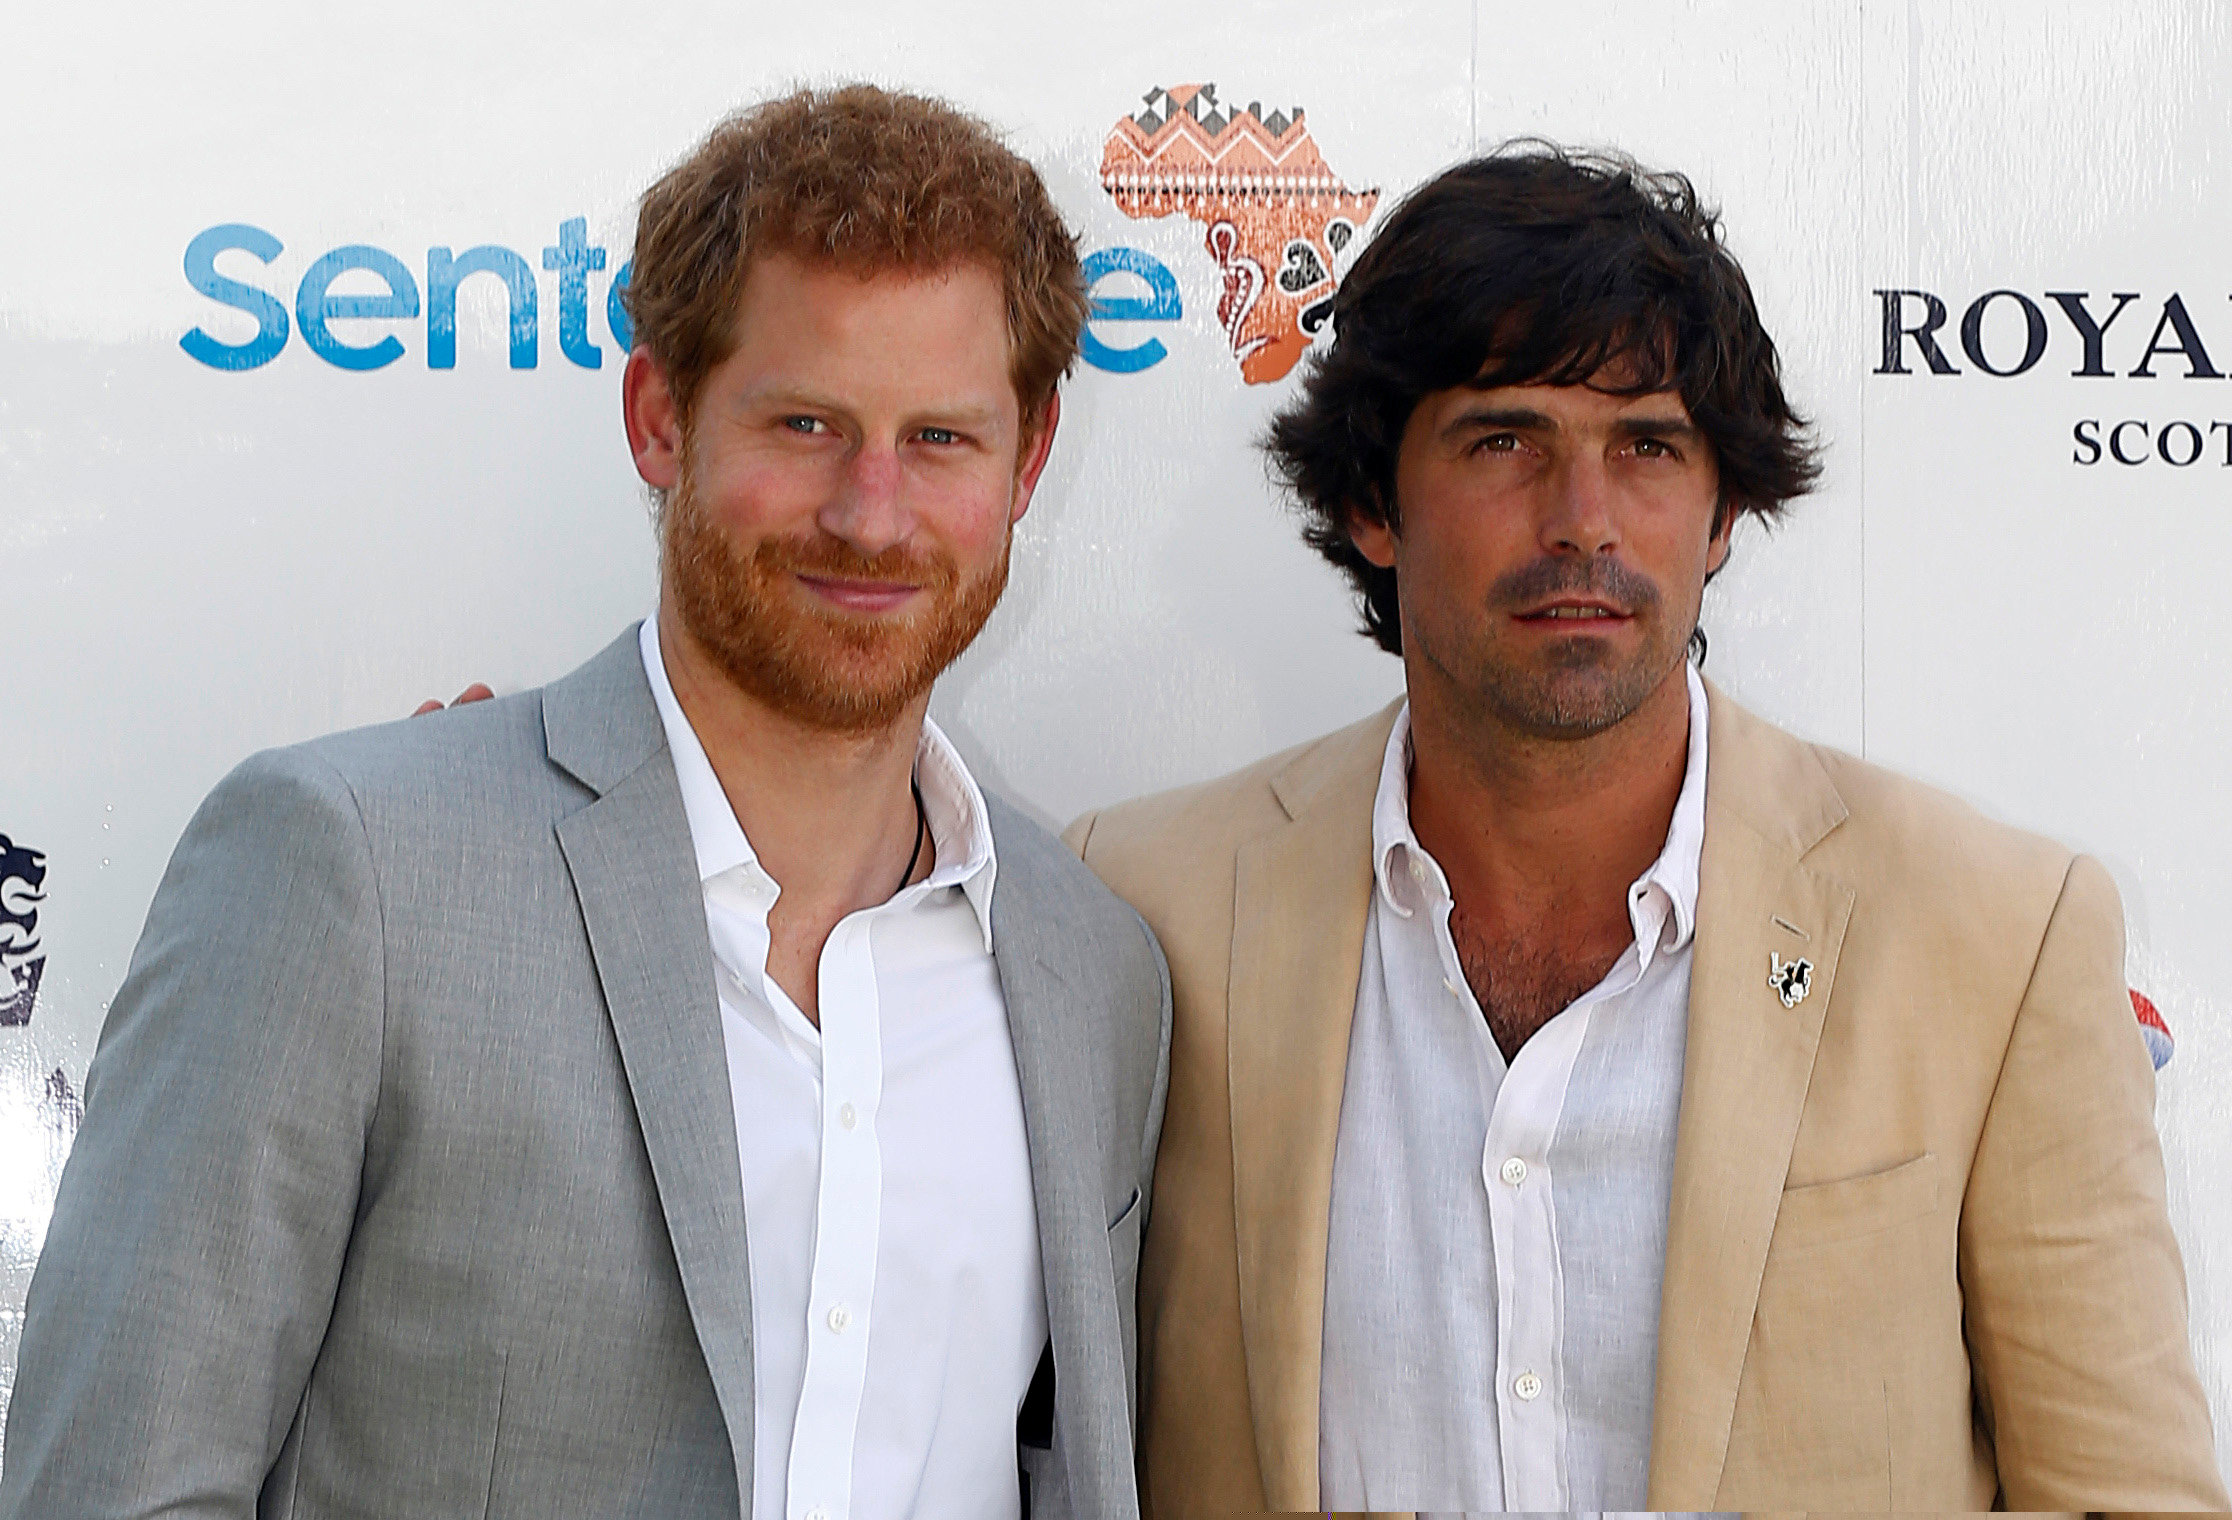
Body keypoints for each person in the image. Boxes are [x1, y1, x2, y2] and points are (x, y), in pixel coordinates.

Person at [3, 86, 1168, 1520]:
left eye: (940, 439)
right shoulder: (356, 871)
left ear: (1029, 459)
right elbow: (108, 1489)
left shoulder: (1094, 973)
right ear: (659, 419)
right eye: (805, 424)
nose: (872, 513)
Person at [1067, 143, 2226, 1514]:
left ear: (1725, 508)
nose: (1583, 522)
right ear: (1375, 504)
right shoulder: (1141, 910)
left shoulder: (1994, 929)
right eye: (1505, 441)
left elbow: (2123, 1495)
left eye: (1649, 448)